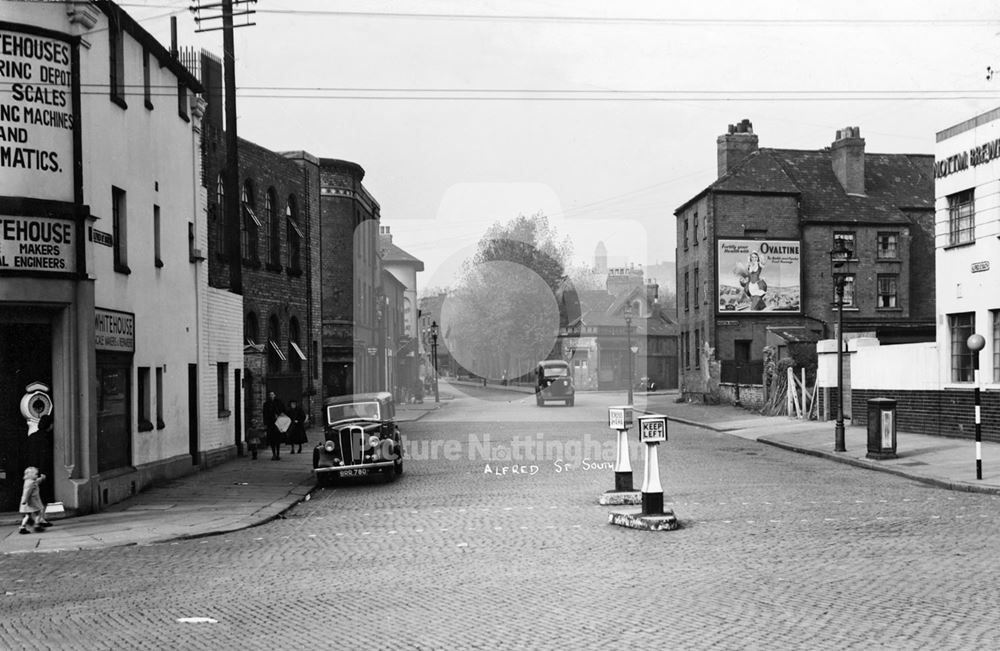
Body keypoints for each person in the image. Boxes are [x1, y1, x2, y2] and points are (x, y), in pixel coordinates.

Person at [19, 466, 48, 534]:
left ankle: (22, 527)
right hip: (32, 501)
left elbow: (37, 481)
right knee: (39, 511)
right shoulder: (31, 483)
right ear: (30, 475)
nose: (37, 475)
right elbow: (27, 492)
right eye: (36, 474)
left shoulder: (29, 481)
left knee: (27, 515)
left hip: (28, 502)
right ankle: (37, 525)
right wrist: (25, 500)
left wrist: (41, 478)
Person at [262, 391, 286, 461]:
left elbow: (283, 411)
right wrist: (265, 423)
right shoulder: (266, 404)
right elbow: (265, 414)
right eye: (270, 395)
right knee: (272, 440)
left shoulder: (278, 403)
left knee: (278, 440)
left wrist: (278, 415)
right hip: (270, 424)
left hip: (278, 423)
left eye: (272, 395)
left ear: (274, 395)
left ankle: (278, 454)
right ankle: (273, 454)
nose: (271, 396)